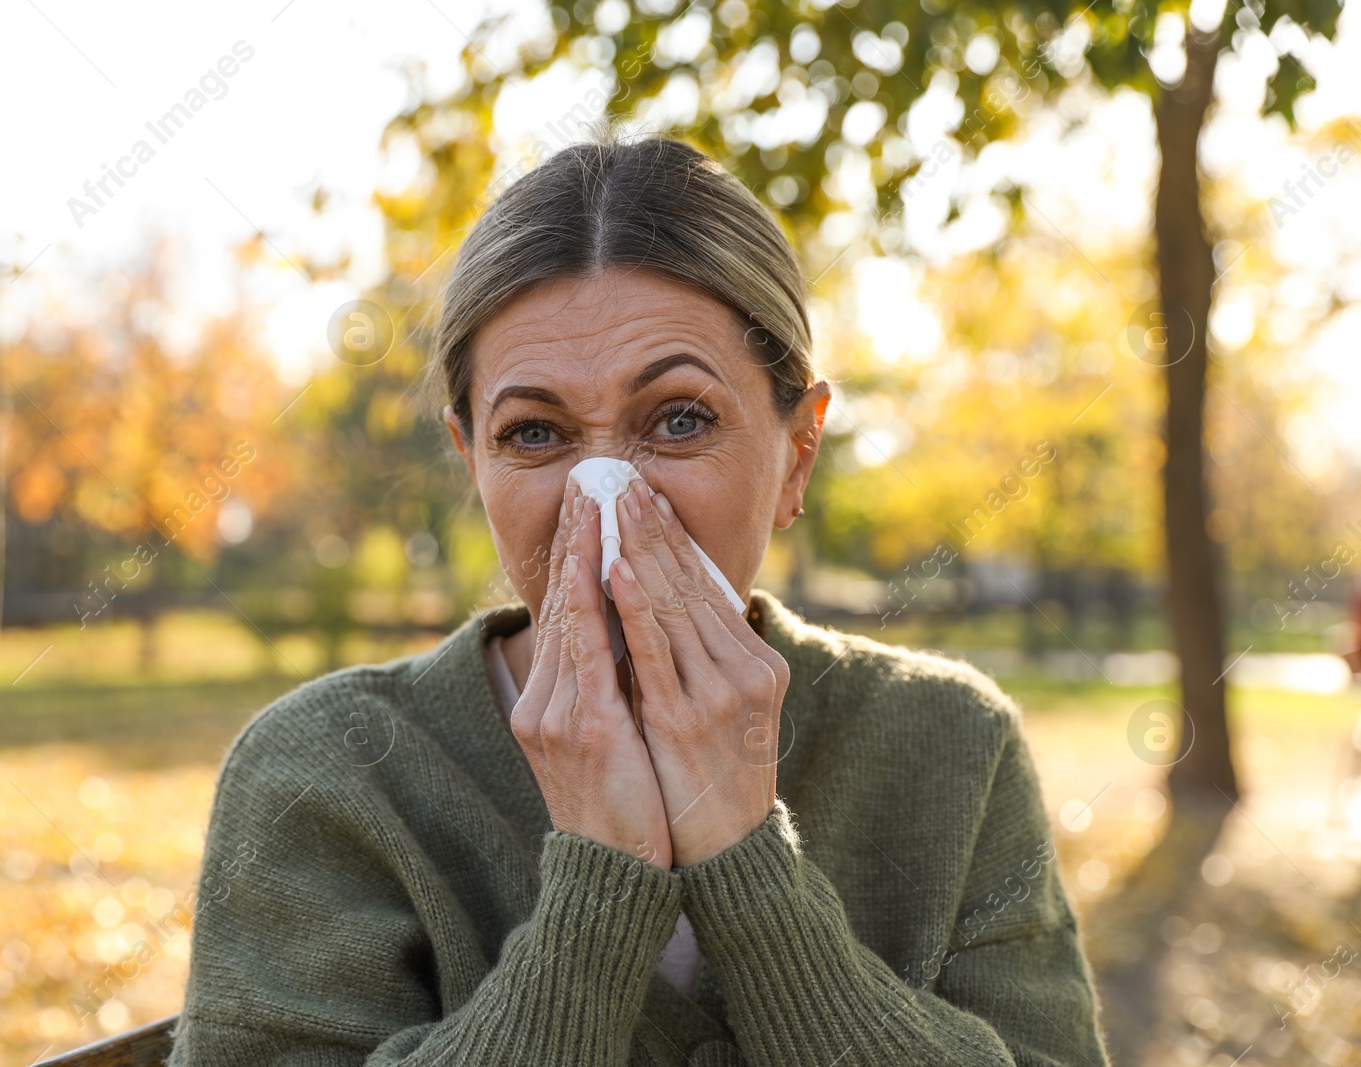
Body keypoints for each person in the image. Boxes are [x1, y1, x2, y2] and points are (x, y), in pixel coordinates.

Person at [167, 136, 1109, 1066]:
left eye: (681, 419)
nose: (606, 498)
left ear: (798, 454)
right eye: (535, 433)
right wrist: (599, 891)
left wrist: (747, 863)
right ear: (472, 462)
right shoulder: (324, 772)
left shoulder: (951, 742)